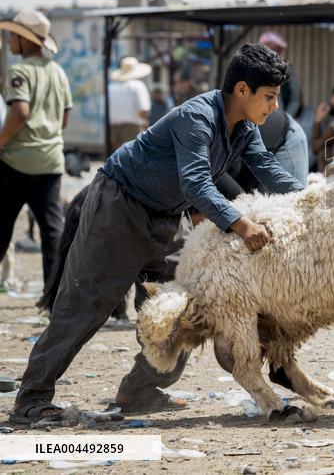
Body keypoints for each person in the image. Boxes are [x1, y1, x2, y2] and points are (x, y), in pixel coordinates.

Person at [9, 43, 303, 424]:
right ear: (242, 90)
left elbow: (267, 168)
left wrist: (310, 200)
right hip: (119, 208)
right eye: (269, 97)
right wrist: (243, 225)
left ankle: (139, 390)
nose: (274, 107)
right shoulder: (197, 117)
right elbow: (197, 183)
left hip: (168, 218)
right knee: (85, 307)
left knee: (187, 309)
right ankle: (31, 399)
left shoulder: (245, 128)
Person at [0, 10, 72, 287]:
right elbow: (64, 118)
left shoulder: (19, 71)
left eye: (12, 36)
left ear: (24, 39)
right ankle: (53, 300)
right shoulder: (58, 71)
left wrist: (2, 143)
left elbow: (19, 112)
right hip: (51, 161)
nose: (8, 42)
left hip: (16, 162)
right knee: (52, 231)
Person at [108, 56, 152, 151]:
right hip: (133, 128)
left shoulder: (111, 87)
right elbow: (143, 110)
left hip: (113, 129)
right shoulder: (138, 86)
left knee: (117, 159)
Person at [259, 31, 303, 119]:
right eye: (267, 49)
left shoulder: (287, 69)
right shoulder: (253, 68)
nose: (271, 53)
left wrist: (286, 118)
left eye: (275, 50)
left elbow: (295, 98)